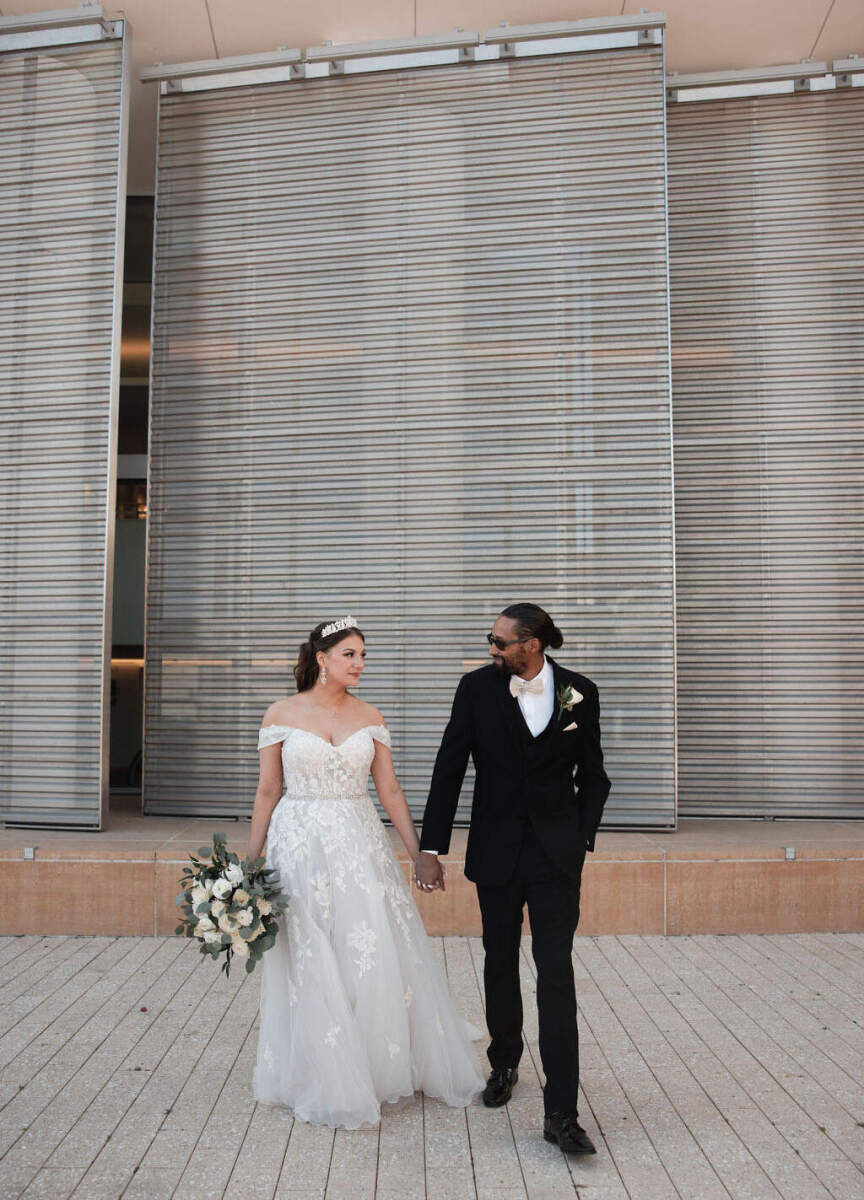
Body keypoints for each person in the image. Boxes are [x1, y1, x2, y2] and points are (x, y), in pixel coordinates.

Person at [248, 616, 483, 1129]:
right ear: (322, 659)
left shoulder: (370, 715)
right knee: (309, 950)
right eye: (350, 654)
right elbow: (268, 790)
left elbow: (390, 790)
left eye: (362, 656)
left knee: (366, 945)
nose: (358, 664)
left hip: (358, 841)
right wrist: (250, 863)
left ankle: (374, 1064)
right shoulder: (281, 713)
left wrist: (421, 852)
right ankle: (319, 1067)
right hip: (298, 842)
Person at [415, 603, 611, 1155]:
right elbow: (448, 769)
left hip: (556, 859)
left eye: (500, 642)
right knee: (498, 961)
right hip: (497, 854)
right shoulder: (476, 689)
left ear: (533, 644)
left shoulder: (579, 691)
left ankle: (562, 1112)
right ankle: (504, 1064)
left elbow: (594, 774)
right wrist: (432, 849)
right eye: (491, 640)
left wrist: (581, 837)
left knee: (556, 974)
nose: (492, 649)